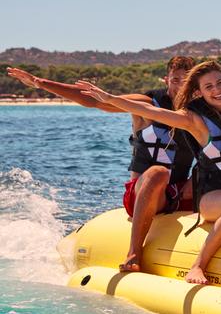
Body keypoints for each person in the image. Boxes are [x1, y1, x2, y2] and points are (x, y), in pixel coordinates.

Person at [7, 57, 197, 272]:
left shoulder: (197, 112)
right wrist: (40, 82)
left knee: (209, 170)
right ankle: (134, 252)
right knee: (157, 173)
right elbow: (96, 100)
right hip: (142, 193)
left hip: (178, 193)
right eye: (175, 80)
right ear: (166, 80)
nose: (180, 86)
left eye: (186, 81)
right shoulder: (146, 103)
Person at [77, 61, 221, 285]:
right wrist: (110, 99)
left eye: (220, 83)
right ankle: (195, 264)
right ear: (199, 92)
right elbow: (151, 111)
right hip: (214, 196)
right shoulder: (193, 119)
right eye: (208, 86)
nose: (217, 90)